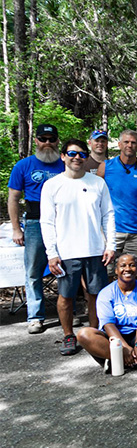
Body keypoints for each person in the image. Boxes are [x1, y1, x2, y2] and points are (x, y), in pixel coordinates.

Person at [40, 139, 116, 355]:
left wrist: (110, 245)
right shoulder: (52, 185)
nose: (77, 158)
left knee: (96, 295)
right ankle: (68, 335)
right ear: (63, 156)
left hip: (95, 250)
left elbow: (108, 215)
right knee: (66, 296)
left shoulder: (97, 183)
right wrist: (52, 253)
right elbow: (47, 222)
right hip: (66, 252)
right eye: (72, 153)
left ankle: (94, 334)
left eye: (82, 154)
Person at [7, 123, 64, 333]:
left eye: (51, 139)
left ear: (57, 141)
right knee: (34, 270)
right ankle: (36, 316)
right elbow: (13, 198)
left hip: (62, 222)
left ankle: (68, 311)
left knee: (67, 268)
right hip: (34, 221)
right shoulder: (23, 166)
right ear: (36, 141)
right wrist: (16, 229)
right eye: (43, 139)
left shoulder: (65, 164)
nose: (47, 143)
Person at [77, 254, 137, 373]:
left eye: (132, 265)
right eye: (123, 266)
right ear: (116, 270)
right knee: (84, 334)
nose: (127, 269)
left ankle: (119, 361)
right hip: (113, 339)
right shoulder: (106, 293)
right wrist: (124, 348)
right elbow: (108, 325)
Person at [97, 130, 137, 278]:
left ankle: (134, 301)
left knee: (136, 273)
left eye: (133, 142)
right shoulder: (106, 167)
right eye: (126, 142)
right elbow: (95, 198)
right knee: (108, 271)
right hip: (112, 230)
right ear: (119, 145)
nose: (129, 145)